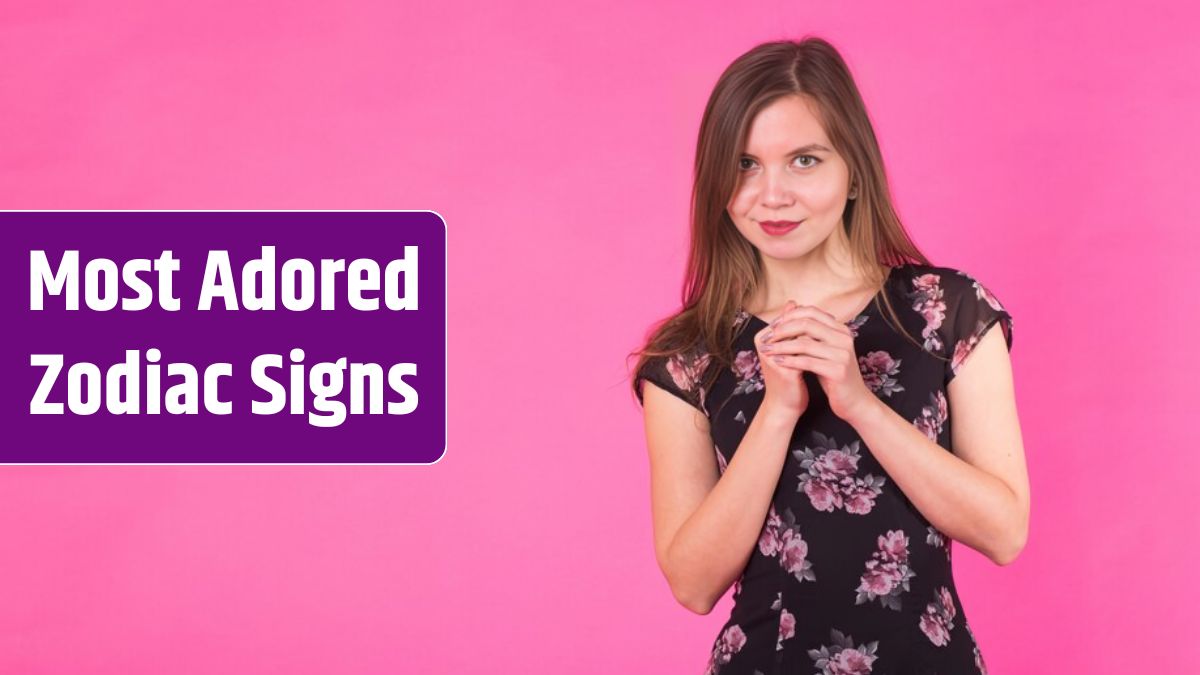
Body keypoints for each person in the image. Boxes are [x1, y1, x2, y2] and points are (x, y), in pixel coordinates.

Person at [629, 37, 1029, 675]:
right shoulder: (686, 355)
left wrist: (858, 402)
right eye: (745, 164)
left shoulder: (946, 311)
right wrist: (778, 409)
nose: (771, 195)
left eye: (805, 160)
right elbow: (692, 583)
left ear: (853, 171)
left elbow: (1004, 531)